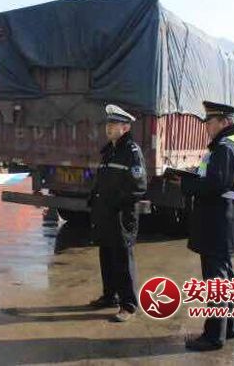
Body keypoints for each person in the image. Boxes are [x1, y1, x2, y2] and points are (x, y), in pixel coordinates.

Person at [170, 101, 234, 351]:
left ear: (224, 122)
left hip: (219, 221)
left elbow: (216, 185)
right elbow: (216, 179)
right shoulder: (230, 144)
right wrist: (192, 176)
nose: (206, 126)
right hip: (224, 220)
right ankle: (228, 328)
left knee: (216, 281)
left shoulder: (225, 147)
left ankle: (213, 336)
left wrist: (186, 184)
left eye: (210, 122)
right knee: (225, 278)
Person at [88, 104, 147, 322]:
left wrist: (117, 204)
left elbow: (138, 187)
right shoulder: (110, 150)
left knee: (122, 259)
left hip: (121, 214)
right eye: (108, 123)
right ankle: (109, 296)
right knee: (106, 255)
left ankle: (128, 305)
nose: (109, 127)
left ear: (125, 128)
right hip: (105, 212)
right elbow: (103, 180)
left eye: (114, 124)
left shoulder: (131, 152)